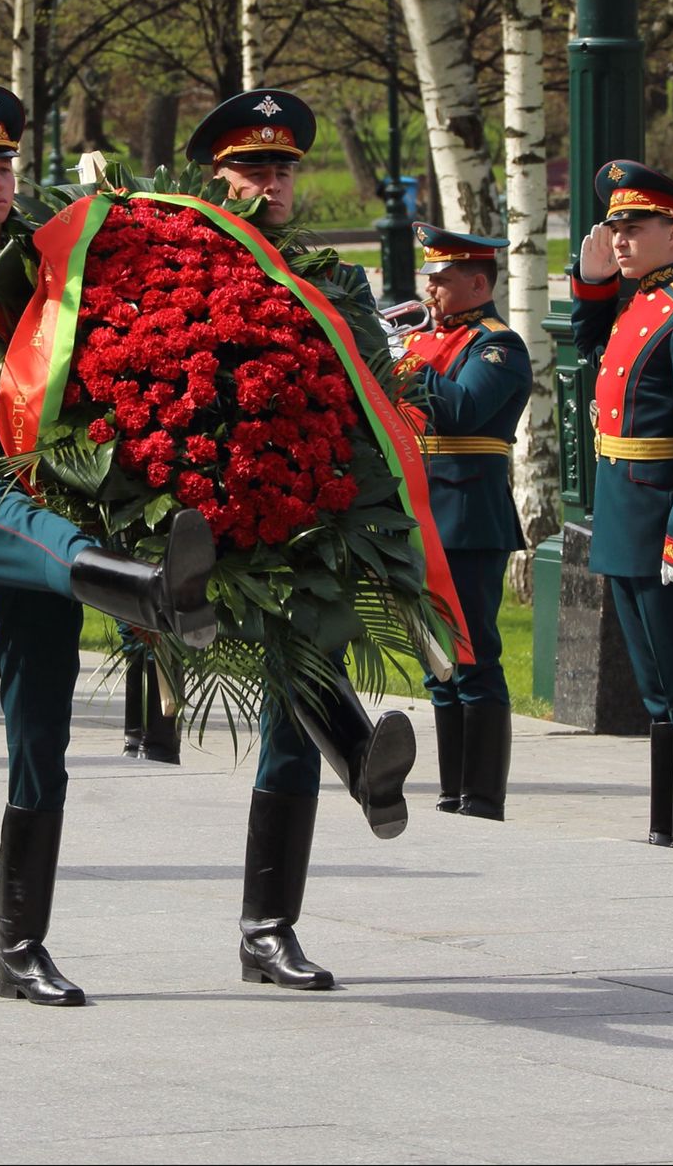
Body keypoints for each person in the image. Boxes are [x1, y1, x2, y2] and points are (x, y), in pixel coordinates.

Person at [0, 83, 217, 1006]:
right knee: (44, 539)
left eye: (2, 164)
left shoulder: (58, 264)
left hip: (76, 507)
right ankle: (149, 588)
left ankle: (20, 946)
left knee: (41, 733)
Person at [187, 88, 417, 992]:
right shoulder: (191, 262)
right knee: (296, 680)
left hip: (319, 507)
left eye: (283, 167)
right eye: (254, 167)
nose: (272, 182)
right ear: (219, 178)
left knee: (294, 711)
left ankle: (267, 929)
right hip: (226, 515)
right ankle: (360, 760)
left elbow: (378, 388)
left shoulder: (337, 275)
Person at [569, 161, 673, 853]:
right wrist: (590, 282)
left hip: (667, 520)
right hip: (624, 518)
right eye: (614, 227)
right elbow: (589, 344)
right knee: (659, 691)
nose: (620, 239)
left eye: (633, 227)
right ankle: (667, 827)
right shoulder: (639, 301)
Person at [399, 224, 528, 820]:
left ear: (477, 283)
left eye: (442, 279)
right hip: (418, 516)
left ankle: (482, 795)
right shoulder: (431, 340)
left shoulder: (498, 346)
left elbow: (462, 410)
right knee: (438, 663)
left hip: (469, 520)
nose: (429, 289)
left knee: (473, 658)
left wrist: (405, 360)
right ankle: (452, 792)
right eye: (429, 277)